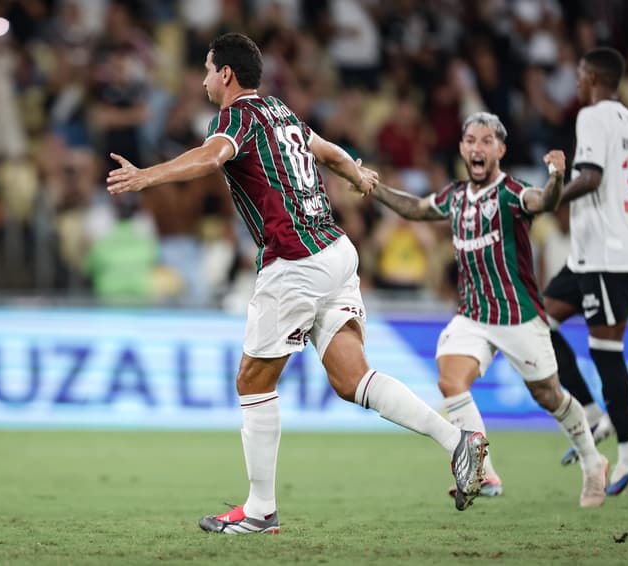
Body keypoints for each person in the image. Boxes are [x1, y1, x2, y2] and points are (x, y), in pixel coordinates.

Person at [105, 32, 489, 533]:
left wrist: (145, 177)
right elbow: (327, 150)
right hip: (335, 250)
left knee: (252, 381)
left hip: (294, 262)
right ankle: (457, 440)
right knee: (353, 380)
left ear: (226, 74)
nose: (202, 78)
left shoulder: (235, 117)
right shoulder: (280, 112)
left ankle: (261, 509)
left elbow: (208, 158)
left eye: (206, 69)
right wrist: (356, 173)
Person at [358, 111, 608, 508]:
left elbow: (543, 201)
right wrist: (372, 186)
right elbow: (416, 208)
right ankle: (483, 470)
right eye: (470, 140)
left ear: (501, 149)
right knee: (450, 380)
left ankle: (593, 463)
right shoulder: (455, 196)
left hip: (518, 315)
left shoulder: (512, 193)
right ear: (461, 148)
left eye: (486, 141)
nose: (477, 147)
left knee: (549, 396)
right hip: (473, 315)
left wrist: (557, 180)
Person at [542, 47, 628, 494]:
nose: (576, 82)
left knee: (606, 352)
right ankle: (594, 417)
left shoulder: (592, 117)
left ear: (594, 77)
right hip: (591, 255)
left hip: (604, 256)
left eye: (579, 74)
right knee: (538, 325)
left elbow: (593, 177)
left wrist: (548, 199)